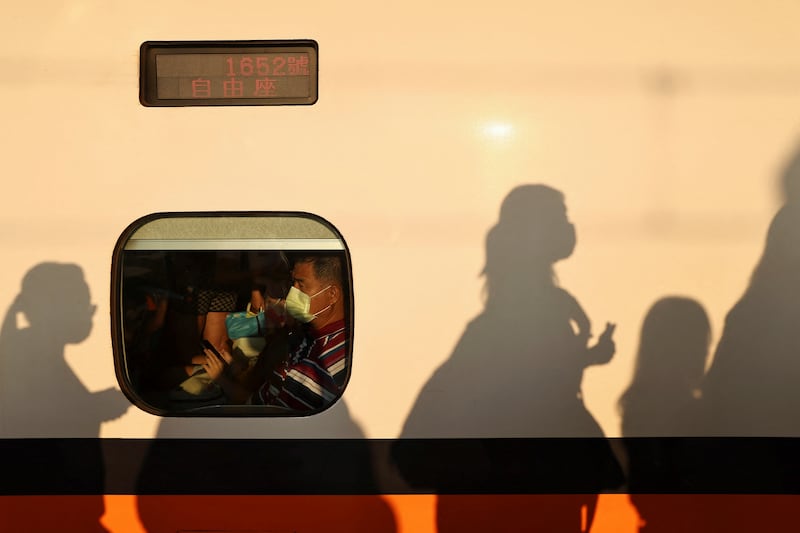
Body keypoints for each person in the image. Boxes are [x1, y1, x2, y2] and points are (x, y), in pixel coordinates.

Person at [202, 254, 349, 411]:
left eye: (301, 285)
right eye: (293, 283)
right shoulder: (303, 336)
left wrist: (223, 381)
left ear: (332, 294)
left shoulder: (320, 361)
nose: (293, 292)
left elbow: (272, 416)